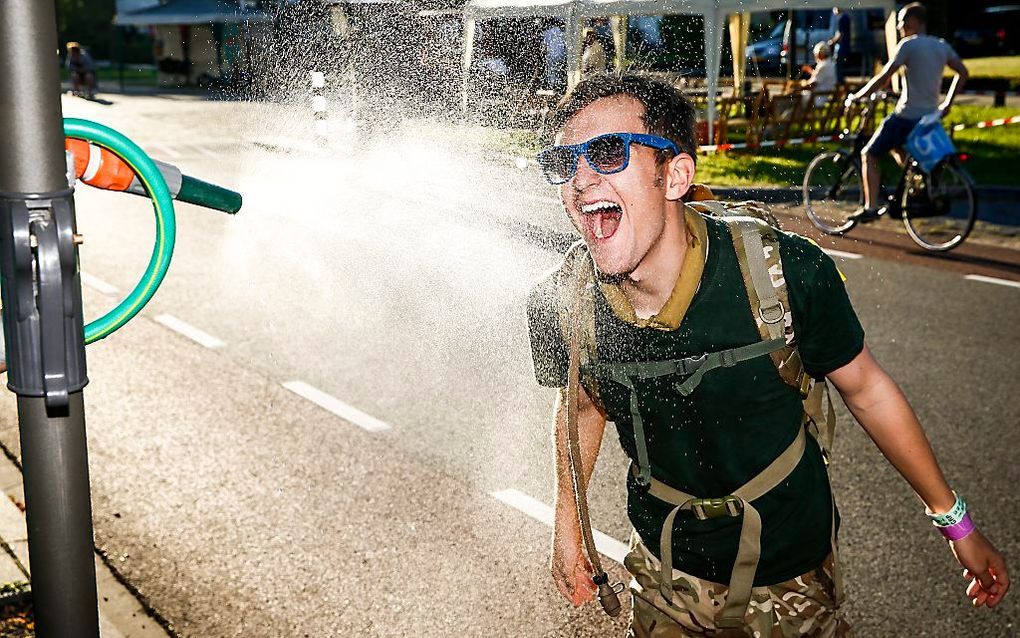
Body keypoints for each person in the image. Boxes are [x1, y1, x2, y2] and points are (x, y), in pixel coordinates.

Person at [526, 73, 1008, 635]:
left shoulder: (786, 275)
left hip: (792, 580)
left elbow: (867, 390)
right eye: (563, 164)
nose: (580, 181)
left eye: (607, 153)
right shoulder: (564, 304)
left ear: (676, 175)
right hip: (661, 577)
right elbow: (581, 407)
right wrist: (568, 525)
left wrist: (956, 524)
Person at [848, 2, 968, 221]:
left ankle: (870, 206)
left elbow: (884, 76)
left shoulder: (908, 45)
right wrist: (947, 104)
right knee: (896, 147)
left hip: (907, 115)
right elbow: (962, 72)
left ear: (915, 22)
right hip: (929, 117)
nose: (900, 25)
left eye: (903, 20)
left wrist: (858, 96)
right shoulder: (941, 46)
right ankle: (916, 182)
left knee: (869, 153)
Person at [802, 41, 837, 107]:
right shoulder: (831, 64)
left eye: (816, 54)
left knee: (793, 98)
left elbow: (813, 84)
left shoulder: (822, 65)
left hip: (818, 98)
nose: (815, 56)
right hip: (825, 95)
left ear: (820, 53)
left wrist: (800, 86)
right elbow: (820, 76)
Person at [827, 8, 853, 84]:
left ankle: (839, 83)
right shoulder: (846, 17)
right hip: (845, 45)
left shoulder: (842, 18)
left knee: (837, 66)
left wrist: (832, 42)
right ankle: (840, 82)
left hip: (841, 46)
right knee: (839, 65)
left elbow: (840, 34)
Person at [540, 21, 567, 92]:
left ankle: (553, 86)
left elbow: (544, 46)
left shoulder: (548, 32)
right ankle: (559, 86)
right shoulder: (562, 32)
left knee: (552, 71)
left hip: (551, 55)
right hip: (562, 55)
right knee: (560, 71)